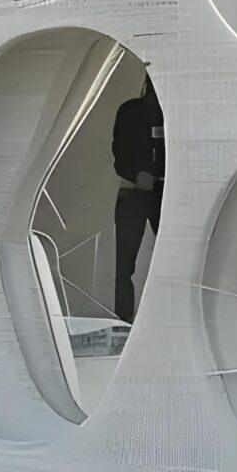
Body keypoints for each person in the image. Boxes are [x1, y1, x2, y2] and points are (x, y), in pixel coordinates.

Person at [109, 73, 164, 324]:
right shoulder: (131, 111)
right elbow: (119, 153)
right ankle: (124, 318)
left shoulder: (165, 114)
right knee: (124, 263)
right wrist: (136, 174)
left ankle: (157, 317)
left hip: (160, 192)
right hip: (135, 192)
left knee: (171, 259)